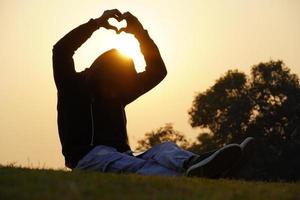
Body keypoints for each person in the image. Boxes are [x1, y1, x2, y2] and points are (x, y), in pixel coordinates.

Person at [52, 9, 254, 177]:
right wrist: (96, 23)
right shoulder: (71, 84)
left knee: (164, 149)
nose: (116, 90)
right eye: (114, 83)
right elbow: (61, 50)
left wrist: (139, 33)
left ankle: (195, 164)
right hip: (87, 159)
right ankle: (197, 178)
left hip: (124, 156)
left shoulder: (117, 92)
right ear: (101, 73)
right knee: (136, 166)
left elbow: (157, 71)